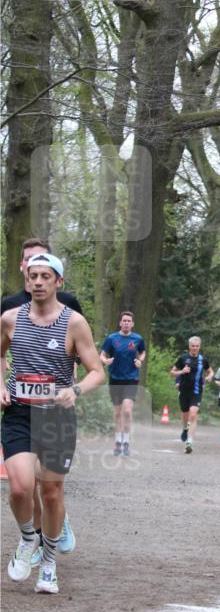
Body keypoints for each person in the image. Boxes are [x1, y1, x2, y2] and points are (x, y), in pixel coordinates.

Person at [1, 253, 104, 594]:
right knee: (20, 487)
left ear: (59, 281)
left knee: (51, 491)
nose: (38, 282)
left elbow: (97, 372)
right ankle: (27, 538)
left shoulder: (74, 323)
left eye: (46, 276)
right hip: (19, 413)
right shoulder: (10, 319)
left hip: (56, 416)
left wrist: (75, 390)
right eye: (33, 276)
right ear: (27, 280)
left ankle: (48, 562)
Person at [2, 237, 82, 554]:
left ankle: (55, 517)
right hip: (20, 406)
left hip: (55, 406)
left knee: (47, 484)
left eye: (43, 263)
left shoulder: (69, 303)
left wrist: (72, 385)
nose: (37, 273)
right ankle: (34, 536)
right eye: (30, 263)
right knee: (24, 483)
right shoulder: (9, 307)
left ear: (56, 275)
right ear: (22, 267)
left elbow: (77, 347)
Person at [100, 311, 146, 456]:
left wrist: (140, 360)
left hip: (131, 379)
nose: (126, 323)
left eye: (129, 321)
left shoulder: (137, 338)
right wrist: (105, 361)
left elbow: (143, 352)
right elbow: (102, 354)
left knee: (127, 410)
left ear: (132, 324)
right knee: (117, 412)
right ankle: (117, 442)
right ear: (120, 323)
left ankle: (126, 441)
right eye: (124, 320)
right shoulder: (112, 338)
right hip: (115, 379)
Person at [1, 237, 83, 314]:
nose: (34, 263)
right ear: (21, 265)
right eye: (28, 259)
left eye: (40, 258)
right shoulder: (8, 305)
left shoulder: (68, 302)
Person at [170, 337, 213, 454]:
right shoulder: (183, 358)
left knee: (193, 414)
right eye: (193, 346)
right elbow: (172, 372)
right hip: (184, 390)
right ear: (189, 346)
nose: (195, 348)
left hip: (196, 391)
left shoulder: (203, 360)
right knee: (185, 414)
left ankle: (189, 442)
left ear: (199, 347)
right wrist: (182, 371)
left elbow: (210, 371)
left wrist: (210, 376)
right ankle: (185, 428)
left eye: (197, 346)